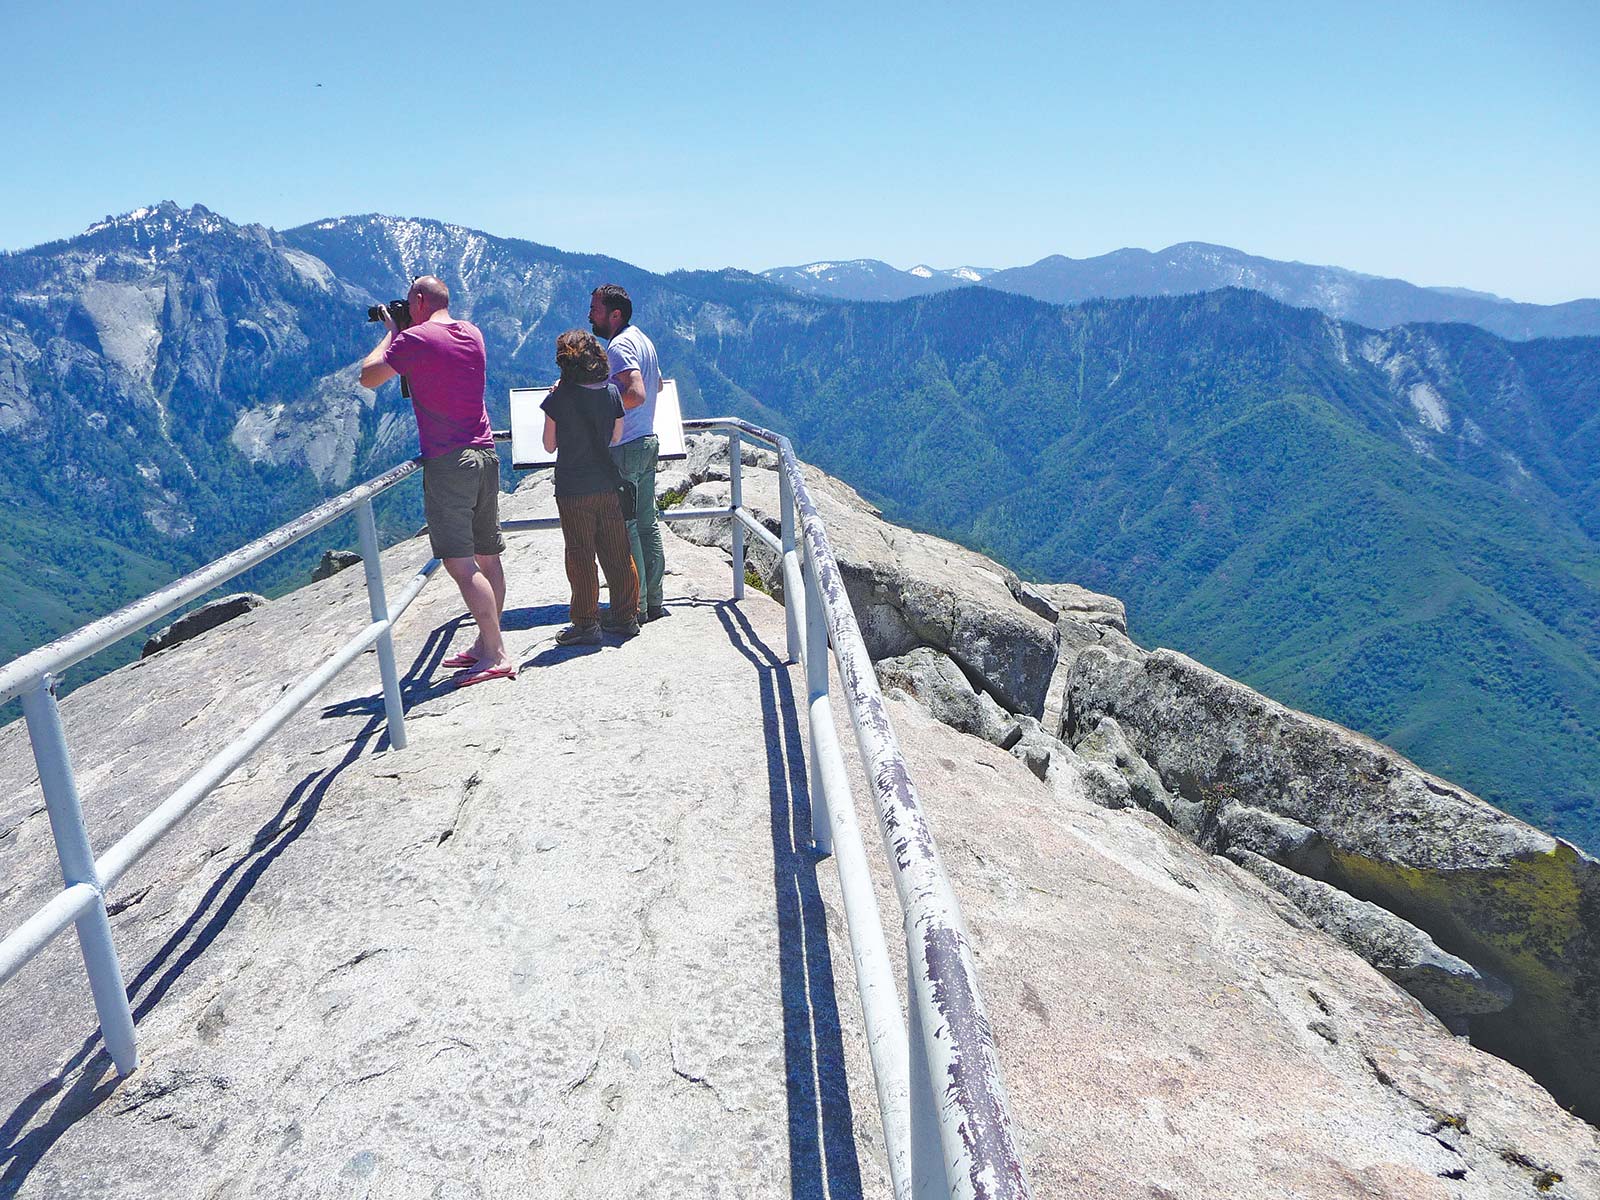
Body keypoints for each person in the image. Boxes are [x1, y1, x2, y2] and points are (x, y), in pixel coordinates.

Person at [359, 276, 516, 687]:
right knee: (488, 555)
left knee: (460, 564)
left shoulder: (415, 340)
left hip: (450, 461)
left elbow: (369, 376)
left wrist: (393, 334)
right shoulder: (472, 332)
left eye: (411, 303)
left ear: (419, 300)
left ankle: (496, 653)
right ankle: (485, 643)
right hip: (485, 454)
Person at [541, 330, 641, 645]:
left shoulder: (558, 397)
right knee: (617, 550)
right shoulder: (611, 394)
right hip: (607, 484)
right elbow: (615, 437)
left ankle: (586, 624)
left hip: (572, 488)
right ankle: (626, 617)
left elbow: (548, 445)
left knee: (581, 554)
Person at [589, 284, 666, 622]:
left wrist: (599, 402)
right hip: (648, 440)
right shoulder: (642, 340)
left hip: (626, 445)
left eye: (596, 308)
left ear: (614, 314)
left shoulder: (619, 346)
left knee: (627, 527)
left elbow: (636, 393)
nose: (590, 314)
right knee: (648, 525)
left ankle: (633, 606)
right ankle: (654, 601)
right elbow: (657, 384)